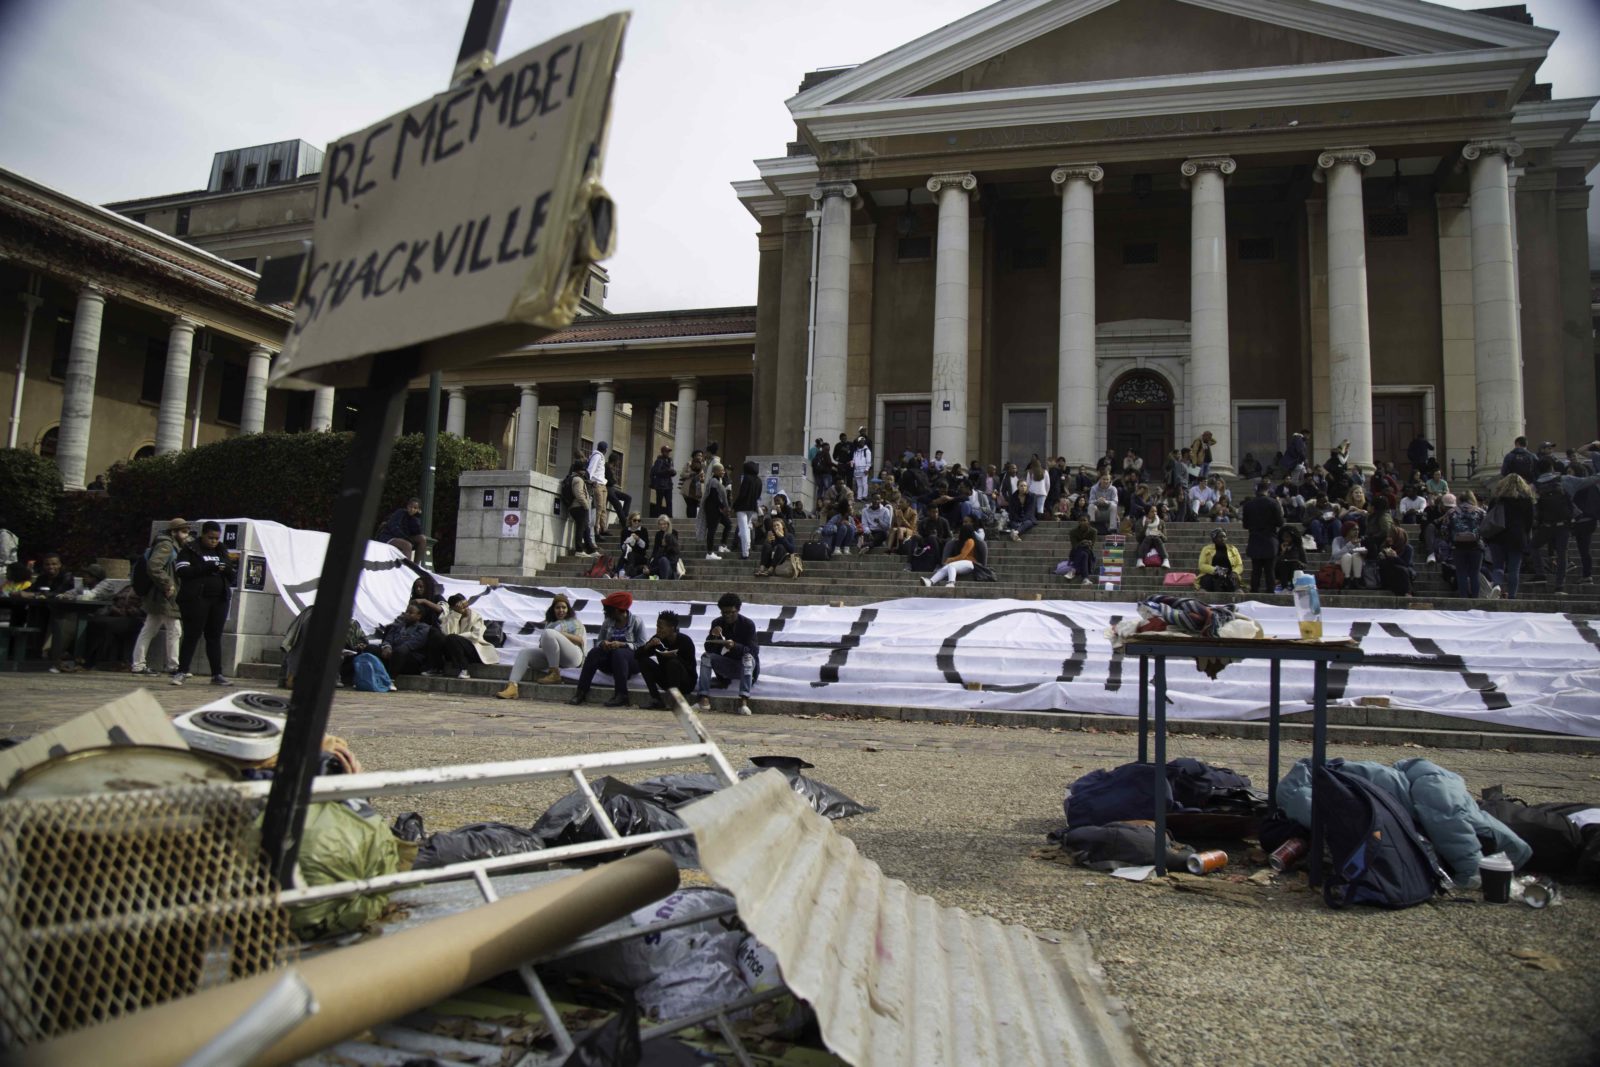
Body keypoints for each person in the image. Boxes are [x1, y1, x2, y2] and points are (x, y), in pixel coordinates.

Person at [172, 521, 235, 686]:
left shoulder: (221, 550)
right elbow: (182, 571)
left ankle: (217, 674)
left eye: (216, 538)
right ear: (203, 535)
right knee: (192, 635)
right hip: (196, 598)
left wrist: (226, 568)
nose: (214, 541)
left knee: (214, 637)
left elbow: (232, 575)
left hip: (219, 599)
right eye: (210, 538)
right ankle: (182, 671)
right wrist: (206, 567)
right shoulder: (190, 549)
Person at [497, 594, 586, 699]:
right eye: (557, 607)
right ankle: (512, 687)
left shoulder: (575, 622)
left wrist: (560, 634)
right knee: (525, 653)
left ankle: (554, 673)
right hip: (554, 657)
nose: (561, 610)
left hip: (573, 657)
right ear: (553, 610)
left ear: (568, 609)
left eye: (564, 607)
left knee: (549, 633)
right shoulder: (550, 624)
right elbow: (543, 645)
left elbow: (580, 640)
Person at [569, 590, 648, 707]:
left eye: (607, 609)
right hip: (611, 662)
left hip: (632, 662)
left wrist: (623, 644)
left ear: (616, 610)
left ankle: (621, 695)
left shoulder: (637, 621)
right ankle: (581, 692)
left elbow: (642, 646)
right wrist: (603, 644)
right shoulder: (608, 622)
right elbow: (599, 641)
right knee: (594, 652)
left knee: (619, 653)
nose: (604, 611)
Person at [133, 518, 188, 676]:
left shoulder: (171, 544)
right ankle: (173, 666)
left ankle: (138, 664)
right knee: (174, 629)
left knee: (150, 628)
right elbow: (154, 565)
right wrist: (167, 583)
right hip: (164, 594)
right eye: (183, 532)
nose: (186, 535)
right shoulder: (166, 545)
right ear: (174, 532)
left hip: (159, 594)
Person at [692, 593, 758, 715]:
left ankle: (743, 701)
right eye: (724, 613)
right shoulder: (717, 622)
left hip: (744, 665)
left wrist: (735, 646)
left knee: (748, 658)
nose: (727, 615)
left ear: (738, 610)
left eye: (731, 612)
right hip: (726, 664)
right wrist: (713, 635)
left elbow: (753, 652)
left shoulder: (748, 624)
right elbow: (709, 648)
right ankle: (703, 699)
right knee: (706, 657)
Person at [1485, 473, 1535, 600]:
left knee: (1498, 566)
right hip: (1517, 538)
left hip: (1497, 536)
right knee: (1514, 570)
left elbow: (1489, 517)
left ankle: (1497, 586)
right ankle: (1512, 596)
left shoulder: (1497, 499)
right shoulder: (1526, 500)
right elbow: (1530, 522)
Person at [636, 610, 697, 709]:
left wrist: (674, 657)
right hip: (667, 680)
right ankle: (656, 699)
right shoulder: (658, 639)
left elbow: (690, 668)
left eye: (661, 627)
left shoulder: (685, 641)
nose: (658, 630)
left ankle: (674, 700)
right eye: (657, 627)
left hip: (685, 683)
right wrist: (648, 646)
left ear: (672, 628)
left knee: (673, 663)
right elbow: (637, 655)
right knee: (644, 661)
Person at [434, 593, 499, 680]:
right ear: (453, 608)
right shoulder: (449, 616)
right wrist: (456, 615)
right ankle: (435, 667)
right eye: (462, 607)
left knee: (453, 638)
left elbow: (476, 635)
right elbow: (447, 633)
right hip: (454, 649)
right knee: (437, 635)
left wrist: (457, 637)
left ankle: (464, 669)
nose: (466, 609)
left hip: (474, 649)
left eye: (466, 605)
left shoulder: (475, 616)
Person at [377, 602, 442, 677]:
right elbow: (388, 639)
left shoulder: (423, 627)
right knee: (371, 649)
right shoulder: (397, 626)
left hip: (410, 658)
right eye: (406, 612)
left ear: (419, 616)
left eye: (410, 613)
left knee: (400, 651)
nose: (407, 614)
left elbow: (415, 643)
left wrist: (395, 650)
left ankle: (391, 679)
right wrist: (387, 647)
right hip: (392, 654)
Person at [1241, 480, 1283, 594]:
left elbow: (1245, 524)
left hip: (1255, 539)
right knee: (1270, 570)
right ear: (1268, 490)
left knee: (1256, 570)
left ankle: (1254, 591)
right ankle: (1270, 591)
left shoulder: (1249, 504)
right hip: (1270, 539)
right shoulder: (1273, 503)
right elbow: (1280, 522)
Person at [920, 516, 981, 587]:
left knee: (951, 565)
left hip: (970, 563)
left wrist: (951, 559)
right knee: (945, 568)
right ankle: (930, 582)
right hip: (961, 563)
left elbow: (962, 556)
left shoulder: (970, 541)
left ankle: (951, 582)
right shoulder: (960, 542)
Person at [564, 460, 598, 556]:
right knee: (580, 528)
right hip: (579, 507)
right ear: (579, 470)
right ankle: (579, 550)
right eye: (583, 470)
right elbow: (579, 494)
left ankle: (590, 549)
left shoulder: (573, 478)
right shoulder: (578, 480)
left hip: (576, 507)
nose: (584, 472)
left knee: (585, 527)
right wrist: (586, 506)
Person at [732, 460, 762, 560]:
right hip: (752, 507)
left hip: (742, 507)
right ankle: (747, 548)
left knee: (744, 529)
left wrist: (735, 505)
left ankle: (745, 553)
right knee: (747, 528)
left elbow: (742, 494)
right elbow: (758, 495)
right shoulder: (759, 480)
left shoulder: (746, 478)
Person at [702, 463, 733, 559]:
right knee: (712, 530)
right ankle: (709, 553)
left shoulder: (719, 480)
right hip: (713, 510)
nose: (723, 472)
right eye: (721, 470)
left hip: (719, 510)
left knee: (728, 525)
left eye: (723, 470)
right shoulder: (713, 482)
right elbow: (714, 497)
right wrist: (723, 507)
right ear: (715, 471)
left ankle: (723, 545)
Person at [1376, 526, 1415, 596]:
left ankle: (1408, 592)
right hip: (1390, 573)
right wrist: (1382, 557)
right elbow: (1381, 565)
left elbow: (1406, 564)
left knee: (1401, 569)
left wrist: (1395, 557)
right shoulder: (1385, 546)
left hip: (1404, 573)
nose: (1389, 539)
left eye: (1391, 537)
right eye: (1388, 537)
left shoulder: (1408, 548)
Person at [1060, 516, 1097, 583]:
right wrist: (1082, 543)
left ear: (1088, 522)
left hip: (1089, 554)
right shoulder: (1073, 532)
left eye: (1084, 520)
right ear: (1078, 522)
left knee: (1085, 553)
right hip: (1076, 553)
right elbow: (1074, 546)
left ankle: (1073, 570)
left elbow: (1091, 546)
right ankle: (1085, 578)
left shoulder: (1093, 531)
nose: (1083, 522)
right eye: (1081, 521)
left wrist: (1088, 543)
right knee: (1083, 553)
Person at [586, 442, 611, 538]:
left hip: (603, 484)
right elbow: (591, 469)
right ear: (605, 450)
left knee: (603, 507)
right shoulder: (596, 456)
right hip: (597, 484)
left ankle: (603, 528)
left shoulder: (600, 456)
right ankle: (596, 529)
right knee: (599, 507)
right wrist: (590, 480)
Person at [1273, 525, 1308, 591]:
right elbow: (1273, 563)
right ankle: (1284, 587)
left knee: (1293, 564)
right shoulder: (1278, 547)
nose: (1286, 539)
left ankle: (1292, 586)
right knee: (1283, 564)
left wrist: (1298, 562)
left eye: (1288, 537)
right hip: (1281, 571)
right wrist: (1282, 552)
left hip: (1294, 570)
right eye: (1284, 537)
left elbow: (1305, 564)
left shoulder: (1298, 548)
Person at [650, 515, 681, 579]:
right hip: (660, 555)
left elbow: (675, 548)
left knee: (663, 560)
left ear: (668, 523)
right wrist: (652, 558)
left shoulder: (674, 532)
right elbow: (655, 548)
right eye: (660, 524)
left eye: (664, 524)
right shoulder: (658, 534)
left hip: (670, 558)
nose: (662, 526)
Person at [649, 445, 676, 518]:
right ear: (663, 452)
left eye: (668, 452)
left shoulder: (670, 461)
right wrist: (667, 471)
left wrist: (673, 472)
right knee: (659, 502)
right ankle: (657, 516)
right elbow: (657, 472)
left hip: (668, 485)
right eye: (666, 452)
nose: (668, 453)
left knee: (669, 502)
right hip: (660, 485)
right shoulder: (659, 461)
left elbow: (673, 472)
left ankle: (670, 516)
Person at [679, 451, 705, 521]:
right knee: (690, 505)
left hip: (698, 488)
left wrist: (702, 477)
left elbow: (705, 476)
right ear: (694, 456)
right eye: (698, 455)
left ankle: (693, 520)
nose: (700, 457)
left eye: (701, 456)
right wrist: (691, 474)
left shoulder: (703, 465)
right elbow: (682, 474)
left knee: (695, 505)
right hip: (689, 487)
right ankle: (690, 520)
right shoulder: (689, 464)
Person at [850, 433, 874, 500]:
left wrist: (867, 469)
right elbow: (853, 459)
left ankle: (864, 496)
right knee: (859, 485)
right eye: (860, 442)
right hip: (857, 470)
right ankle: (859, 497)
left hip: (864, 470)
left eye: (863, 442)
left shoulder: (867, 451)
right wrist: (852, 464)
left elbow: (868, 461)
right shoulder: (856, 451)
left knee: (864, 484)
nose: (861, 443)